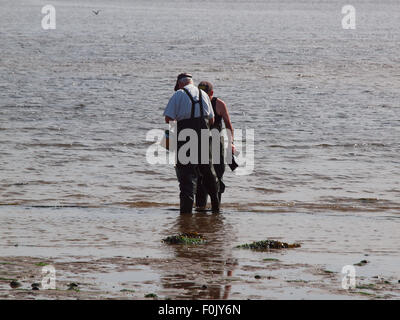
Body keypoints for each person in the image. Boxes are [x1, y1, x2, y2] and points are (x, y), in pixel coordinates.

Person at [163, 73, 220, 214]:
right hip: (204, 135)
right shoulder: (204, 94)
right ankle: (216, 208)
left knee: (186, 175)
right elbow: (211, 120)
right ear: (191, 82)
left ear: (179, 83)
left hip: (185, 136)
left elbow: (168, 119)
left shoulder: (178, 94)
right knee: (208, 172)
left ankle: (186, 214)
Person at [195, 81, 234, 209]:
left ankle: (216, 207)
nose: (203, 96)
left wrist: (231, 144)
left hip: (217, 142)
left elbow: (228, 125)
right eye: (200, 93)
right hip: (200, 142)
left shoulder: (219, 104)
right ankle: (200, 208)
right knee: (200, 178)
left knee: (218, 174)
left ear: (211, 93)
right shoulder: (195, 103)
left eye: (206, 94)